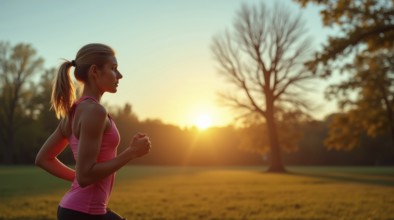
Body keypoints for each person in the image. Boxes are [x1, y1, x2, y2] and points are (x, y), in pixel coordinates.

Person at [35, 43, 151, 220]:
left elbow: (44, 159)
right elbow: (85, 175)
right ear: (95, 71)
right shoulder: (94, 111)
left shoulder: (75, 110)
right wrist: (131, 153)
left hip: (78, 210)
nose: (120, 75)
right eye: (113, 69)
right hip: (83, 213)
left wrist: (78, 176)